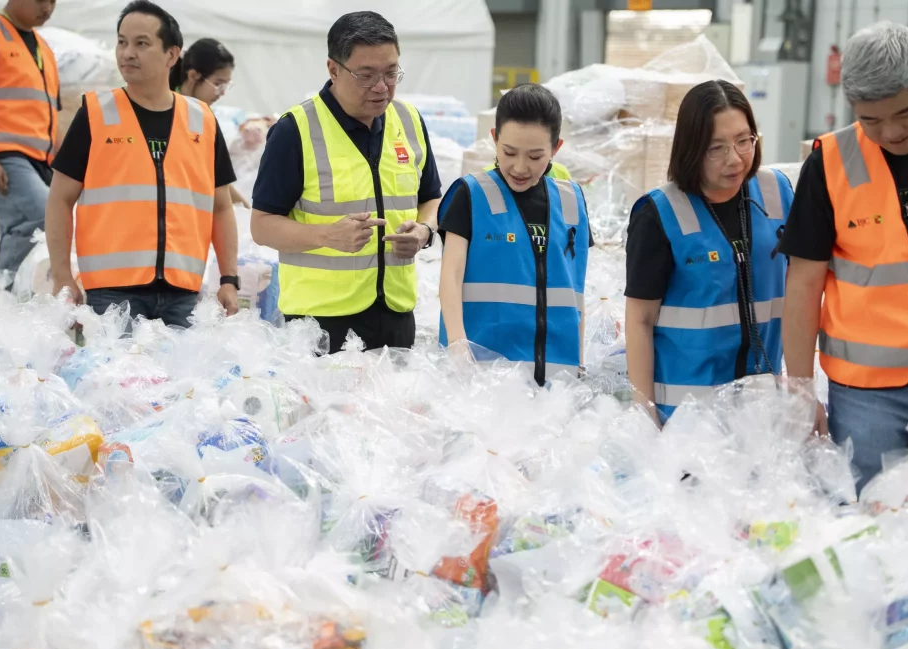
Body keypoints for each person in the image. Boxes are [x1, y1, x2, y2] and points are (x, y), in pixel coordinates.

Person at [779, 21, 908, 488]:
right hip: (869, 397)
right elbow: (804, 284)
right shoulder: (831, 162)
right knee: (871, 514)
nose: (891, 131)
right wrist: (801, 390)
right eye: (870, 120)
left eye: (905, 112)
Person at [250, 11, 442, 354]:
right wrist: (326, 235)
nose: (381, 87)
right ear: (333, 69)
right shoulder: (296, 130)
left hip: (396, 314)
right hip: (320, 324)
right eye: (366, 76)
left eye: (391, 72)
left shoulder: (409, 121)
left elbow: (431, 198)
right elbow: (262, 226)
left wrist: (424, 231)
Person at [45, 0, 240, 328]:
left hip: (182, 293)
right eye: (122, 42)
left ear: (171, 55)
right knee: (116, 366)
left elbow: (221, 207)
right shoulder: (96, 113)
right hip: (113, 293)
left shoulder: (202, 120)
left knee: (187, 365)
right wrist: (63, 275)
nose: (127, 53)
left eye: (141, 43)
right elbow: (60, 199)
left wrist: (229, 279)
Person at [625, 80, 793, 426]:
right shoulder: (660, 214)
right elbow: (640, 320)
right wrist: (644, 414)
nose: (735, 159)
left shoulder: (778, 193)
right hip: (687, 420)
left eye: (743, 141)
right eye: (716, 148)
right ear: (691, 149)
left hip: (761, 413)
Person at [438, 84, 592, 386]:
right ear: (494, 139)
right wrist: (457, 346)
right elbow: (450, 277)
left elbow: (576, 291)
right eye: (509, 152)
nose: (520, 167)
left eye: (535, 156)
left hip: (556, 379)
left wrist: (580, 362)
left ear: (556, 148)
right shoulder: (471, 195)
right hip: (483, 378)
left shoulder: (572, 202)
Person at [0, 0, 60, 289]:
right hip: (0, 156)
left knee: (23, 226)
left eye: (53, 1)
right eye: (41, 0)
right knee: (44, 217)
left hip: (39, 161)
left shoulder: (44, 48)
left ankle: (1, 300)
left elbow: (50, 114)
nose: (48, 7)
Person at [170, 37, 249, 208]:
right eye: (218, 84)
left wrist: (247, 211)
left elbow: (219, 179)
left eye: (226, 86)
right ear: (193, 75)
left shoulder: (203, 117)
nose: (222, 93)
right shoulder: (167, 111)